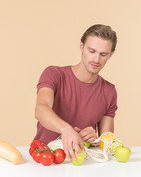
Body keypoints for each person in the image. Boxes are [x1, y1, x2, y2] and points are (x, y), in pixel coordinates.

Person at [33, 24, 118, 161]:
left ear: (111, 55)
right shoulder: (54, 74)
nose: (96, 60)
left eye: (103, 54)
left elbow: (106, 142)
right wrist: (67, 130)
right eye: (91, 51)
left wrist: (95, 139)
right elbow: (41, 109)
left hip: (82, 162)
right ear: (81, 47)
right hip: (46, 160)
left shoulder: (109, 91)